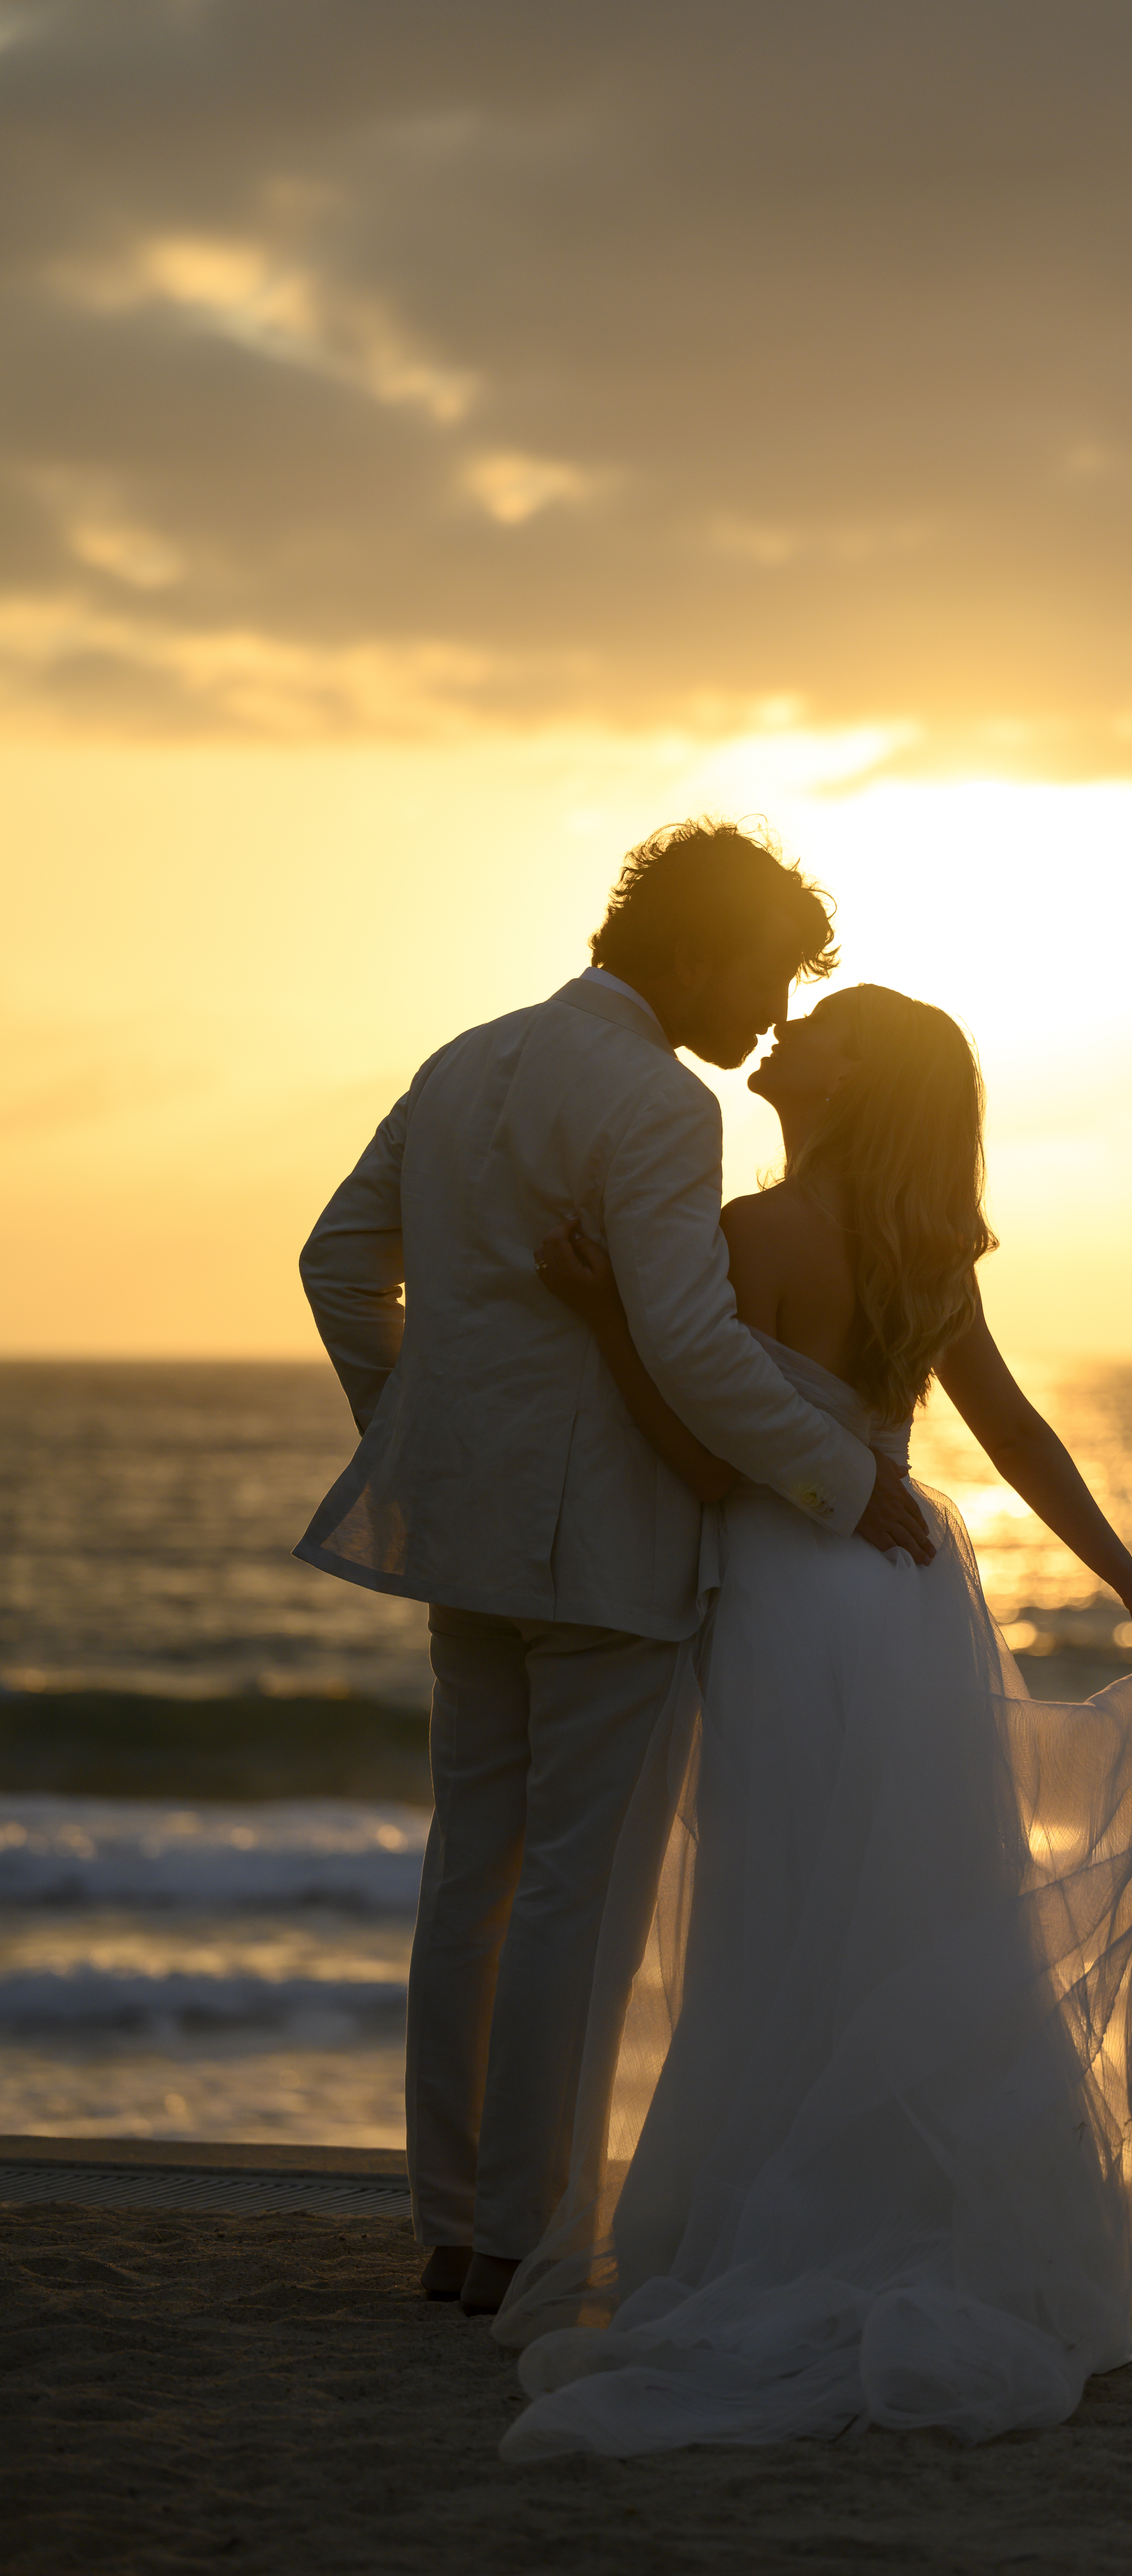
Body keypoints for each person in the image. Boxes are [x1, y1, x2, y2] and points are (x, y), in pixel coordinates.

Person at [490, 981, 1132, 2453]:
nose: (790, 1029)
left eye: (828, 1022)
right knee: (924, 1905)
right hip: (917, 1588)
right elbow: (1012, 1429)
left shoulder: (745, 1236)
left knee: (778, 1903)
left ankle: (780, 2217)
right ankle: (929, 2208)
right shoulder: (925, 1246)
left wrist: (604, 1313)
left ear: (857, 1076)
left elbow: (700, 1459)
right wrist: (1130, 1578)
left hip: (787, 1587)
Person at [294, 821, 935, 2316]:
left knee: (473, 1877)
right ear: (698, 947)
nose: (774, 1012)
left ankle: (454, 2224)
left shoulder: (468, 1059)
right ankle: (525, 2239)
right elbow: (693, 1343)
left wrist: (419, 1428)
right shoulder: (656, 1102)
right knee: (575, 1893)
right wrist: (844, 1481)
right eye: (768, 971)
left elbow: (339, 1261)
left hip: (463, 1527)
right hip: (607, 1540)